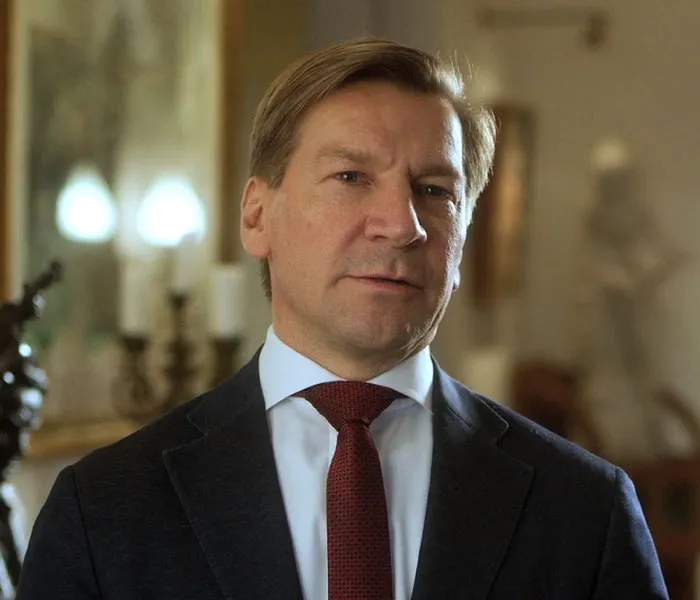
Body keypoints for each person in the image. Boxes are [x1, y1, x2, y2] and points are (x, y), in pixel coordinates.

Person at [17, 38, 667, 600]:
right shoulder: (105, 511)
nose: (402, 224)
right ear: (256, 215)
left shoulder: (585, 510)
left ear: (462, 235)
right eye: (352, 176)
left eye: (435, 190)